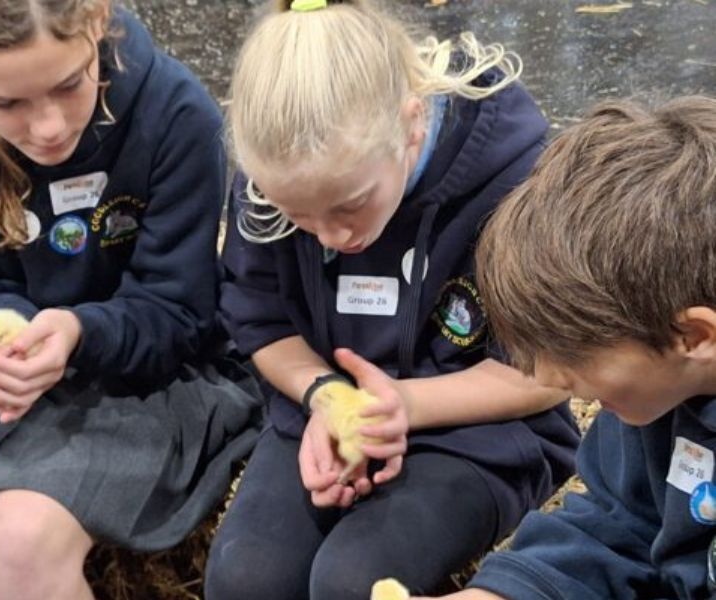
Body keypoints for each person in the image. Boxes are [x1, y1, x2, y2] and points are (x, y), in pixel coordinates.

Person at [204, 1, 581, 598]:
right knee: (245, 578)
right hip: (324, 410)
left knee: (354, 581)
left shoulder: (518, 182)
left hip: (477, 430)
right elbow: (260, 321)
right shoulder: (270, 179)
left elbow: (553, 373)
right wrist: (326, 397)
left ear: (410, 124)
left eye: (349, 205)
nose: (330, 237)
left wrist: (401, 404)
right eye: (297, 216)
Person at [0, 1, 263, 598]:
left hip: (151, 366)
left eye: (68, 85)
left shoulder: (174, 113)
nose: (48, 127)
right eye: (5, 104)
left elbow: (178, 310)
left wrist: (77, 333)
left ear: (95, 21)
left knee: (21, 538)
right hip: (25, 372)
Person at [417, 96, 716, 599]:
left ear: (695, 336)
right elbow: (619, 526)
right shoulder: (657, 396)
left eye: (577, 353)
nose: (550, 379)